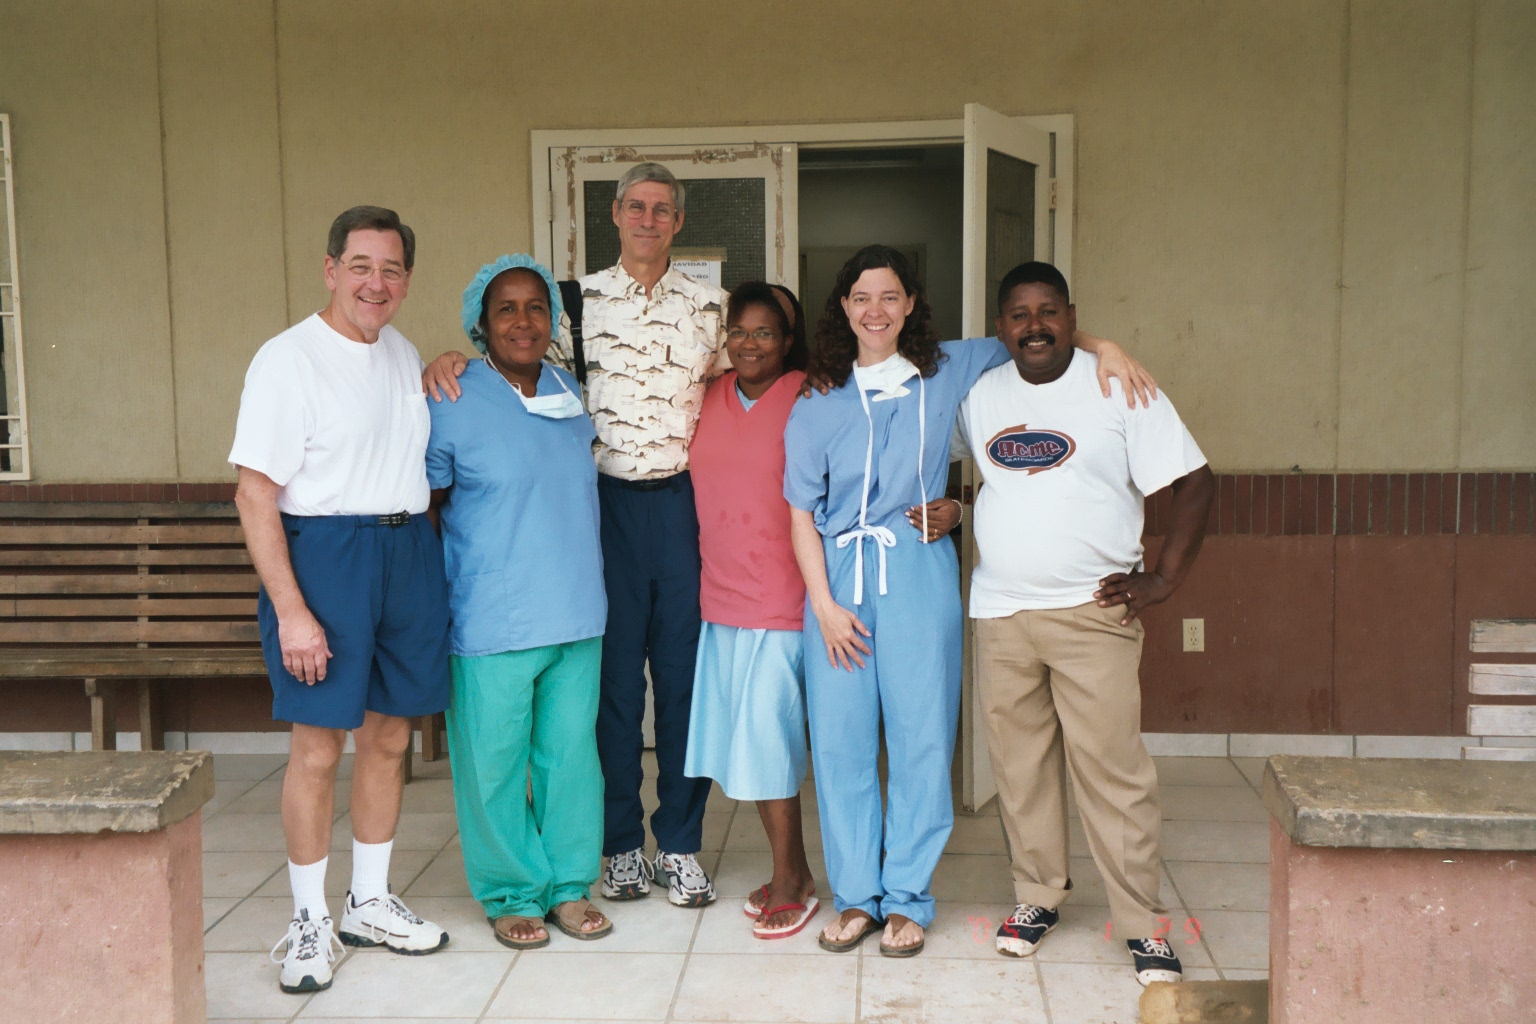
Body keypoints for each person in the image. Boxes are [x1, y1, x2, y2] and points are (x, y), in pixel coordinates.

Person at [783, 245, 1154, 959]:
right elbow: (800, 510)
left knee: (922, 737)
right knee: (840, 742)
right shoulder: (817, 397)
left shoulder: (947, 368)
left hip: (918, 571)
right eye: (861, 298)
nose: (875, 310)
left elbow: (1037, 334)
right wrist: (823, 605)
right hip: (838, 580)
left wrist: (1105, 346)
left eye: (889, 296)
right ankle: (855, 896)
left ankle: (906, 897)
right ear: (844, 308)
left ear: (910, 304)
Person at [423, 163, 724, 908]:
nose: (648, 219)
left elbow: (745, 380)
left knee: (685, 686)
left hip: (683, 508)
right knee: (611, 694)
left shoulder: (711, 309)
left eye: (662, 209)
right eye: (635, 206)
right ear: (614, 215)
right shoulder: (573, 304)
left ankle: (679, 842)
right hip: (602, 511)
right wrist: (448, 359)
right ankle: (618, 846)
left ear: (678, 221)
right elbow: (505, 374)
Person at [955, 261, 1213, 986]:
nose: (1034, 326)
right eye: (1019, 314)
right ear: (1000, 326)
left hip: (1092, 614)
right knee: (1020, 770)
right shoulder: (979, 393)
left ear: (1072, 316)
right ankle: (1038, 896)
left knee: (1113, 773)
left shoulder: (1116, 384)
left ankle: (1142, 925)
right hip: (1001, 615)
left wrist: (1163, 579)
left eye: (1049, 312)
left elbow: (1195, 480)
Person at [229, 206, 451, 995]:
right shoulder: (287, 360)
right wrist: (292, 610)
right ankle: (308, 920)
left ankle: (369, 901)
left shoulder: (402, 352)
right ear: (331, 270)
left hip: (406, 550)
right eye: (360, 266)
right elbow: (255, 493)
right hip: (327, 559)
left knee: (389, 738)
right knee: (319, 747)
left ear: (406, 280)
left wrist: (444, 363)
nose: (375, 282)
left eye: (391, 269)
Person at [425, 254, 611, 949]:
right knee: (495, 764)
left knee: (570, 760)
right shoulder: (452, 396)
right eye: (506, 308)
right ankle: (509, 890)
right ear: (481, 322)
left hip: (576, 610)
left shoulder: (567, 390)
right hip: (493, 616)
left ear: (553, 320)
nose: (523, 321)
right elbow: (427, 506)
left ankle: (568, 886)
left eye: (537, 307)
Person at [683, 281, 819, 939]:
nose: (749, 343)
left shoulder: (809, 394)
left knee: (769, 745)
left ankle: (790, 880)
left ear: (788, 341)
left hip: (783, 601)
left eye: (765, 331)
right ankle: (796, 872)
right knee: (748, 744)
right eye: (738, 330)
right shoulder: (706, 393)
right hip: (721, 599)